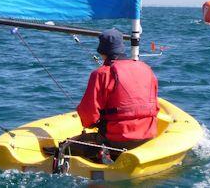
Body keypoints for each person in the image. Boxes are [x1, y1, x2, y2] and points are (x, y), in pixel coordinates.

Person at [62, 28, 159, 166]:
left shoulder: (101, 74)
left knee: (64, 147)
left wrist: (92, 124)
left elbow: (88, 115)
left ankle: (101, 155)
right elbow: (155, 105)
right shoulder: (146, 68)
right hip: (147, 136)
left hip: (116, 141)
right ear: (122, 48)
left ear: (101, 51)